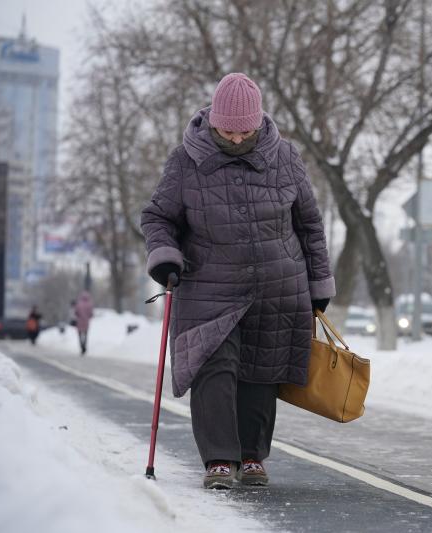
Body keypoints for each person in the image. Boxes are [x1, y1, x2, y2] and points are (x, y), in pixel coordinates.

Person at [141, 72, 335, 490]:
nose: (234, 138)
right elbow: (158, 216)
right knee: (214, 365)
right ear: (213, 120)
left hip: (277, 286)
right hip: (209, 287)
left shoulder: (285, 157)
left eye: (244, 130)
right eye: (227, 129)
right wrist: (165, 258)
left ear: (258, 120)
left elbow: (309, 225)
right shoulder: (185, 160)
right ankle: (218, 460)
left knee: (260, 375)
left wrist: (320, 282)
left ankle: (251, 457)